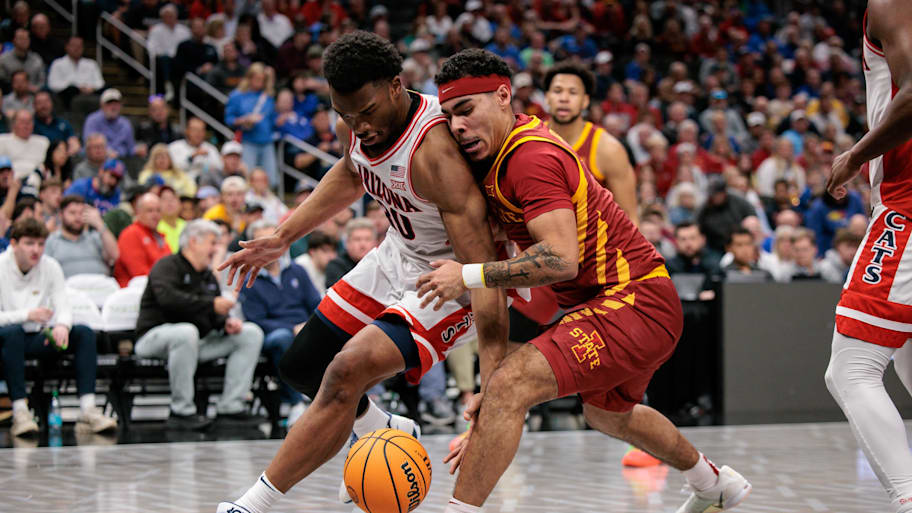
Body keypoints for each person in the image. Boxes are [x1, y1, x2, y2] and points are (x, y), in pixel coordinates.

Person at [415, 49, 750, 513]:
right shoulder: (497, 159)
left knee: (514, 386)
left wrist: (468, 274)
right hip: (621, 302)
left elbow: (560, 260)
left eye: (466, 111)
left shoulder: (530, 158)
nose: (457, 126)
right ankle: (713, 482)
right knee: (606, 414)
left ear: (503, 96)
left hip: (634, 301)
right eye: (449, 116)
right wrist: (487, 398)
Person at [215, 31, 503, 513]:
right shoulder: (359, 116)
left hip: (454, 277)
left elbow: (482, 271)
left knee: (346, 371)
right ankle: (380, 428)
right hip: (398, 254)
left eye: (365, 113)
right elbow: (350, 174)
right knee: (301, 366)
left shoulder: (435, 152)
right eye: (344, 114)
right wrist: (282, 237)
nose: (357, 126)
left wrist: (491, 387)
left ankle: (252, 504)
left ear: (396, 86)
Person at [135, 219, 264, 430]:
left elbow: (210, 314)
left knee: (250, 333)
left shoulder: (207, 276)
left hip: (197, 341)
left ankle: (231, 406)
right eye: (212, 243)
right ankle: (182, 411)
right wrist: (211, 304)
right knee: (186, 332)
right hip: (154, 337)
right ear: (194, 242)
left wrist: (225, 323)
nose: (216, 249)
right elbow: (169, 300)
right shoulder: (167, 266)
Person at [0, 218, 117, 437]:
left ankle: (88, 410)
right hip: (6, 338)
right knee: (13, 332)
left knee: (83, 332)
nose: (36, 250)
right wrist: (26, 315)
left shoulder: (51, 266)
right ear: (14, 244)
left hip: (36, 336)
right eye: (29, 243)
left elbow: (63, 304)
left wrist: (62, 325)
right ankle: (20, 412)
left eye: (40, 244)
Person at [239, 219, 321, 425]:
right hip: (273, 334)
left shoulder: (297, 271)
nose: (268, 248)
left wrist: (309, 327)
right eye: (262, 242)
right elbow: (255, 319)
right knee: (282, 339)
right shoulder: (249, 278)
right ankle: (297, 402)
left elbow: (316, 304)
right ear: (252, 246)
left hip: (305, 328)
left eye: (272, 241)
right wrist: (292, 328)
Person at [543, 61, 638, 224]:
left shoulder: (609, 149)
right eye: (557, 91)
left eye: (573, 92)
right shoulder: (527, 140)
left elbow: (629, 219)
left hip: (591, 246)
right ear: (547, 97)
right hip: (539, 243)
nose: (564, 98)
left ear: (585, 101)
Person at [225, 63, 278, 187]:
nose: (260, 83)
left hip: (266, 141)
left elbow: (272, 118)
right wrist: (244, 120)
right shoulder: (237, 96)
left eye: (263, 80)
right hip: (248, 141)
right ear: (249, 78)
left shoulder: (267, 96)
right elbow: (229, 119)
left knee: (271, 180)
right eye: (257, 79)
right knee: (248, 178)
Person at [44, 195, 119, 278]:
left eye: (81, 213)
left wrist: (100, 224)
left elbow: (115, 255)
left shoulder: (95, 237)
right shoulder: (51, 241)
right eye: (72, 213)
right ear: (61, 215)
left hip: (100, 286)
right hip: (68, 288)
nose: (77, 217)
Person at [113, 192, 171, 287]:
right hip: (136, 292)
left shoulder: (159, 235)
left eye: (158, 210)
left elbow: (170, 265)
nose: (155, 215)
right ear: (138, 212)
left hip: (159, 286)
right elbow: (139, 273)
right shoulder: (131, 234)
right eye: (150, 211)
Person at [82, 89, 143, 159]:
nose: (113, 107)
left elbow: (130, 148)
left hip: (120, 162)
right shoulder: (92, 120)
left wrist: (138, 150)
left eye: (116, 104)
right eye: (109, 103)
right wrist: (107, 152)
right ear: (102, 105)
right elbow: (90, 145)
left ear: (120, 106)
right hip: (97, 161)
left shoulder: (125, 124)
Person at [47, 36, 104, 109]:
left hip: (90, 95)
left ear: (83, 48)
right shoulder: (57, 63)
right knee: (70, 91)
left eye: (79, 46)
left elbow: (100, 83)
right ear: (67, 47)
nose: (76, 48)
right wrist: (76, 87)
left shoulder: (91, 64)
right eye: (73, 45)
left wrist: (91, 88)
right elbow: (53, 84)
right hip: (68, 97)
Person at [324, 217, 375, 289]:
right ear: (347, 243)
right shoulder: (336, 265)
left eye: (367, 239)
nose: (363, 244)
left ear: (375, 242)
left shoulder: (381, 266)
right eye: (357, 239)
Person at [0, 109, 49, 180]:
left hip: (37, 179)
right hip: (11, 180)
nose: (26, 126)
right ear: (13, 124)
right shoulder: (2, 140)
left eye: (29, 122)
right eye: (22, 122)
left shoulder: (43, 142)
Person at [168, 117, 221, 181]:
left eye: (201, 130)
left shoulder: (211, 149)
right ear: (187, 131)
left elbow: (219, 168)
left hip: (205, 186)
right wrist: (192, 157)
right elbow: (172, 169)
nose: (198, 133)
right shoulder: (174, 147)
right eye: (195, 130)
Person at [33, 91, 80, 156]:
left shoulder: (62, 123)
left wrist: (65, 156)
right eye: (40, 103)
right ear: (34, 106)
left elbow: (74, 144)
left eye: (46, 102)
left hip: (62, 158)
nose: (43, 106)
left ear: (52, 103)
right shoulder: (31, 125)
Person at [293, 230, 335, 296]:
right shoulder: (300, 265)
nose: (331, 256)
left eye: (332, 251)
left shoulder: (330, 268)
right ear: (312, 252)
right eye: (325, 251)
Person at [157, 186, 186, 253]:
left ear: (180, 204)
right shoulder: (155, 228)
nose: (169, 203)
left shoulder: (187, 226)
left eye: (172, 199)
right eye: (164, 199)